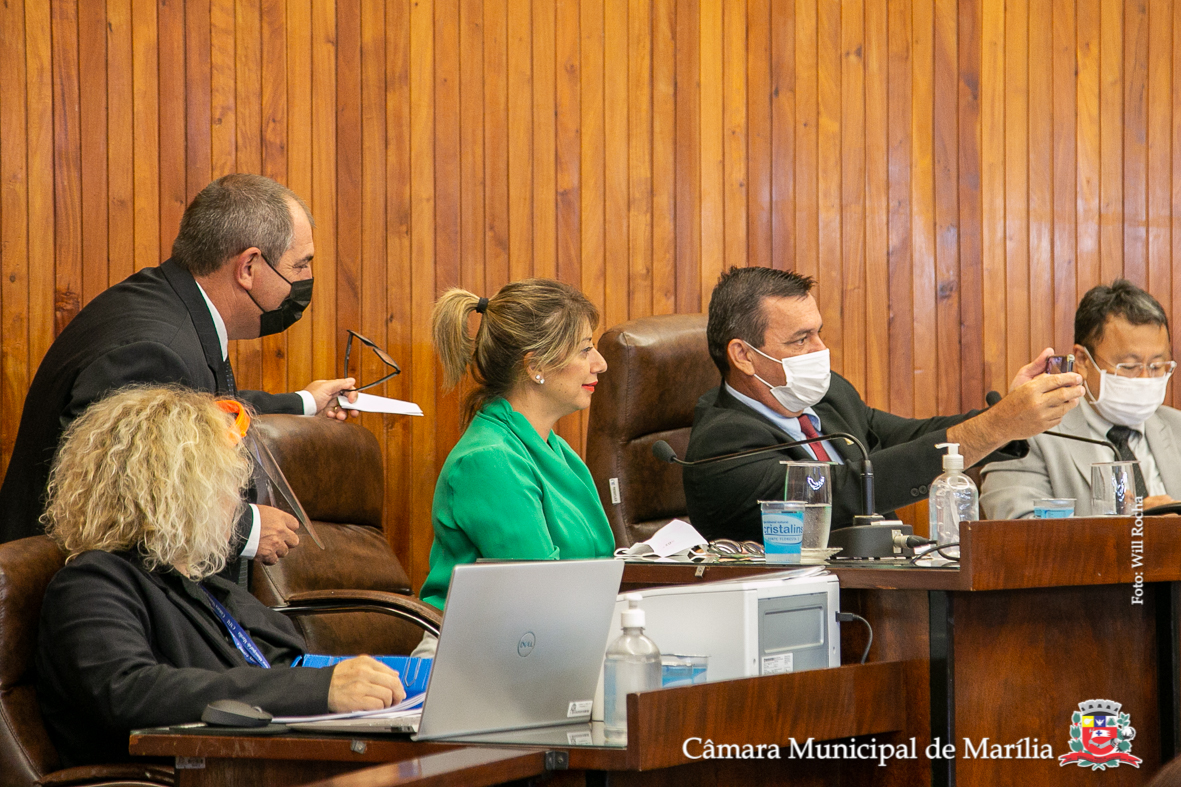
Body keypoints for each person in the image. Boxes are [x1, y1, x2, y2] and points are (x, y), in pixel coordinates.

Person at [0, 173, 358, 570]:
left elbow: (196, 406)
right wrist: (246, 528)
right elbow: (120, 496)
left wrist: (306, 402)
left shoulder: (170, 305)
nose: (306, 280)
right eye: (301, 265)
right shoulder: (153, 348)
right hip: (79, 589)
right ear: (248, 267)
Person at [35, 386, 405, 768]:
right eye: (226, 483)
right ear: (175, 492)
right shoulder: (91, 584)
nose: (237, 502)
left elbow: (279, 664)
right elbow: (130, 691)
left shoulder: (197, 583)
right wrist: (319, 689)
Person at [683, 266, 1086, 541]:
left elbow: (909, 437)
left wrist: (1006, 415)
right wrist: (1000, 424)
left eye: (818, 333)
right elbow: (846, 489)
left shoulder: (829, 397)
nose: (821, 350)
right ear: (743, 355)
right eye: (801, 339)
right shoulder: (721, 445)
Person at [419, 280, 616, 611]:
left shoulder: (555, 449)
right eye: (585, 350)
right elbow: (539, 596)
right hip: (482, 640)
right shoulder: (488, 460)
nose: (600, 363)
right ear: (535, 366)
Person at [981, 280, 1181, 519]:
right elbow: (1018, 530)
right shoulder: (1030, 434)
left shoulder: (1177, 426)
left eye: (1157, 366)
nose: (1146, 379)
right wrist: (1128, 531)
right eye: (1129, 366)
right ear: (1083, 360)